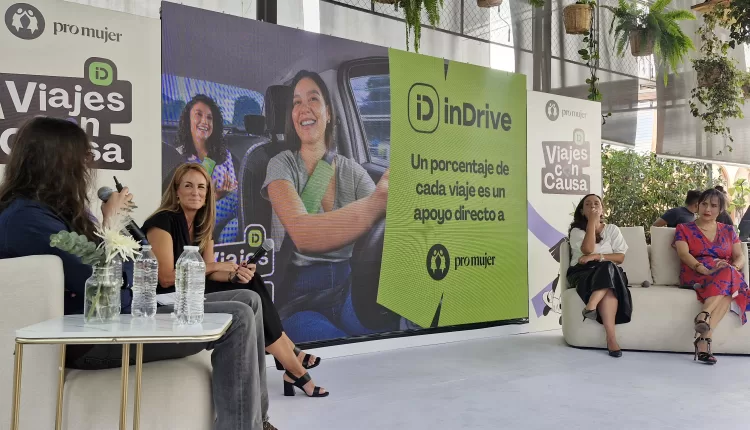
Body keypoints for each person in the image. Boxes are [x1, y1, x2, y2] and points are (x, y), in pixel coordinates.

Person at [0, 118, 277, 430]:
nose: (87, 168)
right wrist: (113, 224)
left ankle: (258, 421)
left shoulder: (53, 213)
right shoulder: (28, 220)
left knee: (248, 300)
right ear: (57, 162)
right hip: (94, 337)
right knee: (238, 316)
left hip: (118, 316)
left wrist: (121, 249)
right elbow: (108, 282)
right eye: (83, 157)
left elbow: (130, 267)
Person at [143, 163, 327, 397]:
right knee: (248, 292)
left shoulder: (202, 223)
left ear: (208, 193)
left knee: (250, 279)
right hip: (167, 298)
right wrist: (217, 266)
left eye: (201, 187)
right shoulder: (162, 222)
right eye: (188, 186)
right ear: (176, 191)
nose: (195, 192)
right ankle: (294, 364)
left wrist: (234, 274)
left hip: (193, 290)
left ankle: (292, 361)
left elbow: (209, 274)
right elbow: (166, 278)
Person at [263, 70, 389, 342]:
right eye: (296, 102)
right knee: (343, 349)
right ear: (291, 116)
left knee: (383, 334)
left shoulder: (353, 171)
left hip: (348, 288)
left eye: (313, 98)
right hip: (297, 301)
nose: (304, 108)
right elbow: (303, 234)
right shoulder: (281, 165)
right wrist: (376, 203)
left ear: (328, 112)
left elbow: (384, 226)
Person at [674, 188, 750, 365]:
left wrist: (733, 268)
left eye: (713, 206)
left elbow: (740, 256)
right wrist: (704, 269)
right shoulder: (683, 228)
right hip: (695, 272)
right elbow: (684, 254)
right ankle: (704, 337)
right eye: (704, 204)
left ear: (720, 209)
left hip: (723, 272)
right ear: (698, 205)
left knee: (729, 276)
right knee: (730, 283)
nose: (708, 209)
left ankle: (704, 322)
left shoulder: (729, 230)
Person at [566, 194, 631, 358]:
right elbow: (587, 250)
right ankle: (611, 340)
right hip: (583, 272)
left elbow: (620, 257)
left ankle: (591, 306)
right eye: (588, 204)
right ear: (582, 211)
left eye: (596, 203)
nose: (593, 206)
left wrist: (597, 256)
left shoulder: (612, 229)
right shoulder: (576, 231)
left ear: (602, 210)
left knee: (608, 268)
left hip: (610, 271)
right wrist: (591, 223)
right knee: (608, 281)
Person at [173, 94, 239, 243]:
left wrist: (230, 189)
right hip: (194, 217)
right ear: (188, 120)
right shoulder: (179, 156)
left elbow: (234, 186)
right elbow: (180, 201)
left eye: (209, 118)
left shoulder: (223, 154)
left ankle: (219, 251)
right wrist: (216, 196)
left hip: (223, 213)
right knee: (240, 201)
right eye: (198, 115)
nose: (205, 121)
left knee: (237, 223)